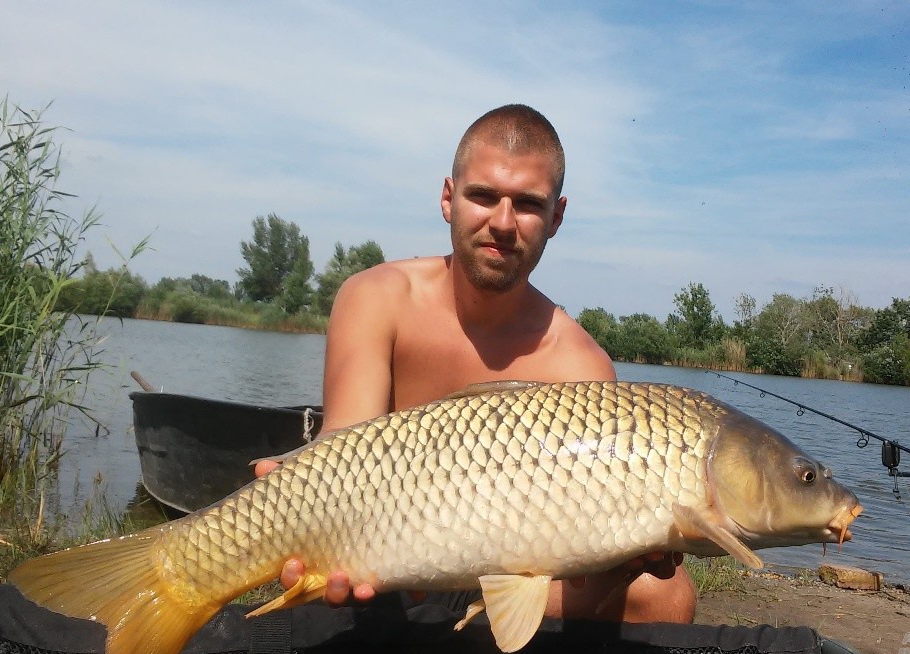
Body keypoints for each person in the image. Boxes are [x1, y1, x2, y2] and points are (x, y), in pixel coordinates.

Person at [255, 103, 697, 624]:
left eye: (529, 204)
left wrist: (634, 551)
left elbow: (585, 540)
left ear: (556, 217)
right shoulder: (377, 296)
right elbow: (344, 445)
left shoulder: (579, 361)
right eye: (483, 196)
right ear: (448, 199)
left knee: (668, 597)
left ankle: (483, 636)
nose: (503, 223)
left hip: (506, 573)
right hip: (380, 554)